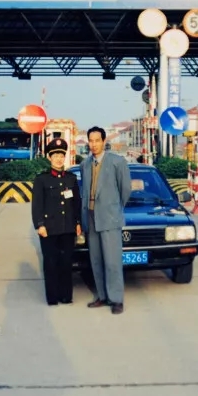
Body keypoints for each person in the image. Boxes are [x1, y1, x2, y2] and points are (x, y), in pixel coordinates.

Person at [80, 126, 132, 314]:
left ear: (104, 141)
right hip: (91, 217)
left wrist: (114, 209)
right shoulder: (85, 164)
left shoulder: (117, 162)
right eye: (91, 141)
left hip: (109, 218)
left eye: (97, 140)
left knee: (112, 261)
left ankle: (116, 299)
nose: (94, 144)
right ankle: (102, 296)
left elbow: (125, 190)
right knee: (96, 260)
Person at [31, 138, 82, 306]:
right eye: (55, 156)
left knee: (66, 262)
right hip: (49, 229)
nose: (59, 159)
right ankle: (52, 297)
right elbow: (37, 205)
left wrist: (78, 222)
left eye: (61, 156)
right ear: (49, 157)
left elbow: (76, 203)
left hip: (67, 228)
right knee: (51, 263)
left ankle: (66, 295)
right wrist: (40, 224)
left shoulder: (71, 179)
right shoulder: (42, 179)